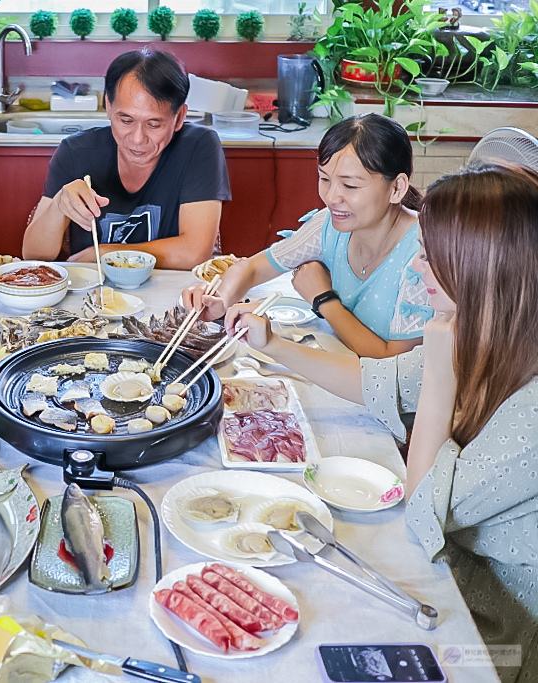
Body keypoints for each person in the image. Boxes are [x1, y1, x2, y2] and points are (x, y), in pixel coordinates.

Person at [230, 163, 538, 683]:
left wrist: (440, 374)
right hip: (439, 575)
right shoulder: (485, 330)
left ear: (484, 270)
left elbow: (423, 510)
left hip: (488, 634)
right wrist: (274, 345)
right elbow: (377, 381)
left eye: (430, 256)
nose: (416, 269)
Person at [183, 113, 431, 358]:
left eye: (350, 185)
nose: (332, 197)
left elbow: (393, 364)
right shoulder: (329, 225)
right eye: (324, 179)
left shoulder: (424, 253)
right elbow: (252, 268)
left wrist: (324, 299)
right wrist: (221, 299)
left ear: (397, 187)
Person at [22, 47, 230, 270]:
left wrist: (104, 254)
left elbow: (194, 252)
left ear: (179, 117)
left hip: (170, 293)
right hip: (93, 295)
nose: (138, 139)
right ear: (109, 107)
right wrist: (59, 205)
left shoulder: (197, 147)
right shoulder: (76, 152)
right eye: (126, 120)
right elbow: (34, 254)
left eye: (154, 124)